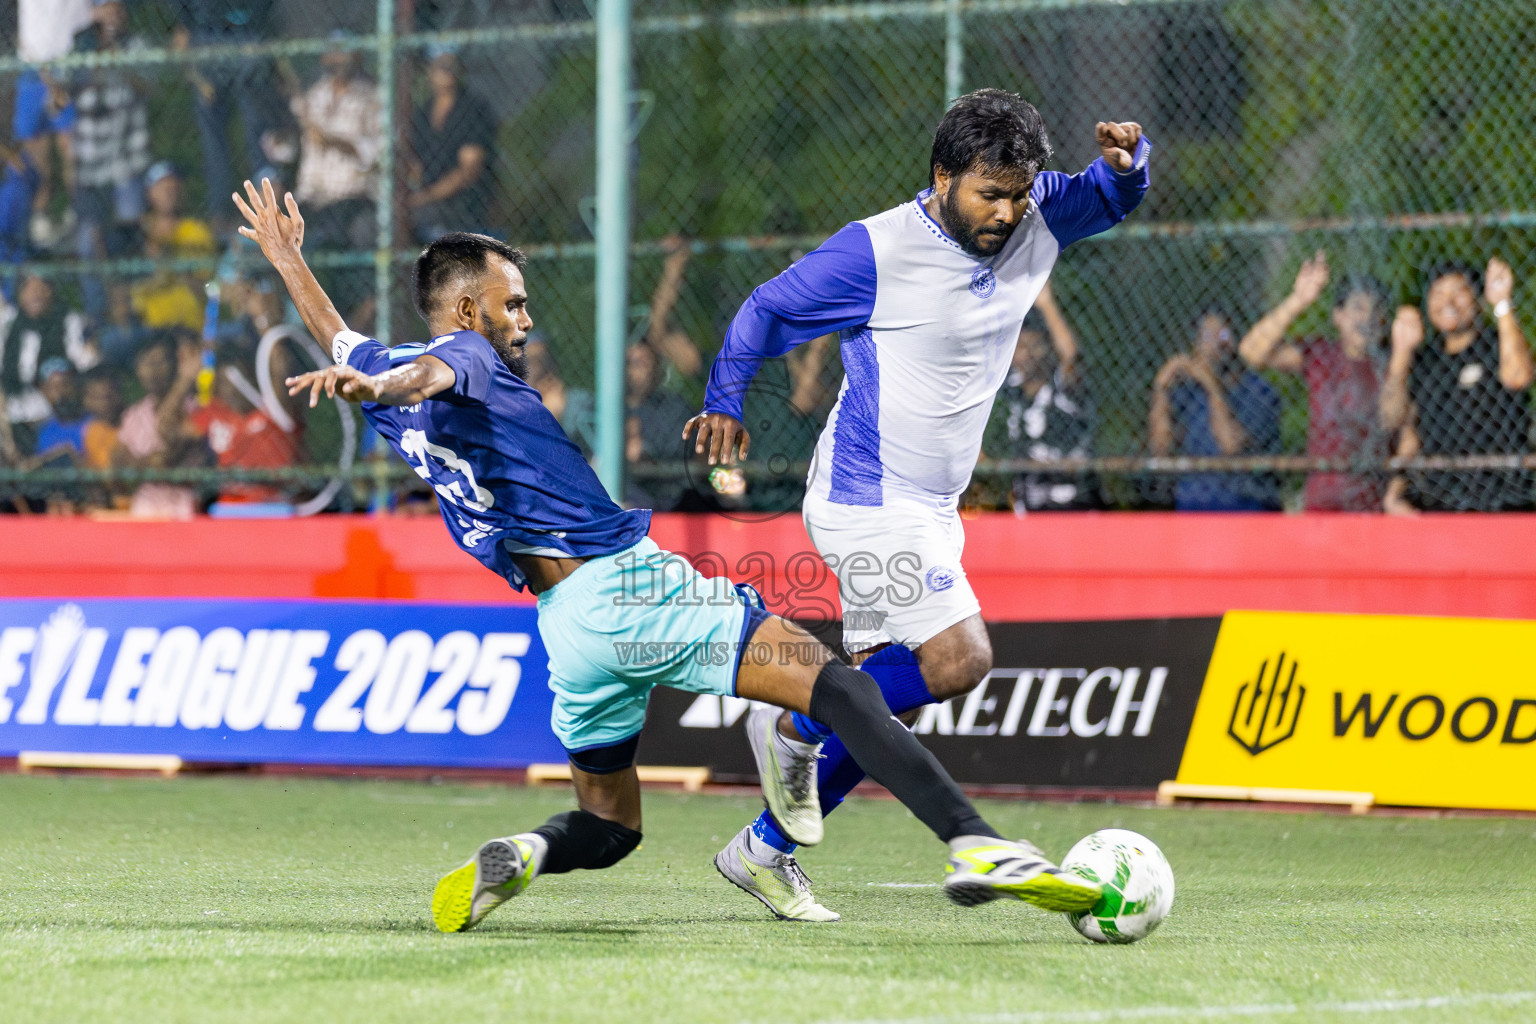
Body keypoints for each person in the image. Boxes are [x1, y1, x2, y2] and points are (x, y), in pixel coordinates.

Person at [235, 177, 1099, 932]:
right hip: (628, 586)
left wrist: (293, 271)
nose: (526, 320)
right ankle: (977, 845)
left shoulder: (393, 367)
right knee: (843, 688)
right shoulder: (463, 357)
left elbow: (341, 336)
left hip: (564, 628)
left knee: (610, 823)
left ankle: (527, 851)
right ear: (468, 311)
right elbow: (431, 373)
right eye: (515, 303)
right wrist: (384, 382)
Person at [687, 88, 1150, 920]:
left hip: (932, 507)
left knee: (879, 699)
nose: (1007, 213)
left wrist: (1127, 167)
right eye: (989, 195)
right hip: (865, 498)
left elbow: (1107, 199)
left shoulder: (1037, 210)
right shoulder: (875, 251)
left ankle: (764, 847)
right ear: (942, 178)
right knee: (959, 659)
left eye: (1018, 193)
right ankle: (796, 727)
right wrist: (725, 399)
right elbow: (766, 308)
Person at [1239, 252, 1392, 511]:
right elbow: (1251, 351)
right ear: (1338, 316)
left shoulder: (1390, 364)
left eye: (1375, 310)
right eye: (1357, 307)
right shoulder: (1321, 354)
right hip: (1322, 502)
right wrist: (1298, 300)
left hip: (1374, 505)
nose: (1365, 318)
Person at [1380, 259, 1534, 513]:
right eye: (1438, 293)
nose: (1448, 302)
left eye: (1459, 292)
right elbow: (1395, 422)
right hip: (1439, 504)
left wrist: (1502, 303)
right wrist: (1401, 352)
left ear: (1478, 301)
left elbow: (1519, 376)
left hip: (1502, 501)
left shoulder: (1498, 345)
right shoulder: (1425, 360)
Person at [1149, 309, 1281, 511]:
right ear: (1196, 347)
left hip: (1244, 504)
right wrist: (1161, 390)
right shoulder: (1188, 392)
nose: (1220, 344)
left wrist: (1212, 388)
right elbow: (1161, 448)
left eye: (1225, 335)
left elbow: (1230, 446)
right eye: (1209, 337)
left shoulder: (1257, 391)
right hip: (1192, 505)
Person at [68, 0, 151, 318]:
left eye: (119, 10)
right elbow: (64, 90)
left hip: (127, 161)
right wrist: (97, 56)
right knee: (91, 243)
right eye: (107, 10)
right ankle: (98, 317)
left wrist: (122, 64)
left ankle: (133, 313)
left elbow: (148, 87)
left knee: (128, 240)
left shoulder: (137, 45)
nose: (114, 16)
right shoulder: (81, 46)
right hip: (89, 165)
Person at [989, 279, 1099, 511]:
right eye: (1020, 347)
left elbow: (1071, 358)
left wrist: (1047, 305)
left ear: (1048, 349)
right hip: (1027, 509)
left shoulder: (1063, 392)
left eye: (1034, 346)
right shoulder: (1010, 392)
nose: (1027, 354)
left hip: (1073, 507)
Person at [170, 0, 279, 224]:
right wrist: (199, 81)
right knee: (214, 142)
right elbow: (181, 36)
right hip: (206, 49)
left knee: (256, 128)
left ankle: (266, 199)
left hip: (245, 43)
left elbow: (264, 22)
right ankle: (220, 210)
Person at [289, 40, 380, 251]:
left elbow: (373, 153)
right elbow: (293, 147)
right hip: (312, 195)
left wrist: (332, 141)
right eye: (334, 53)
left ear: (357, 57)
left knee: (348, 235)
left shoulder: (372, 97)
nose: (339, 60)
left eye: (344, 53)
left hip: (352, 196)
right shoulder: (313, 96)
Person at [0, 274, 96, 458]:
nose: (36, 294)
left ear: (52, 291)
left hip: (54, 415)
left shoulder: (68, 321)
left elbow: (84, 363)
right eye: (28, 288)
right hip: (13, 419)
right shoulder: (9, 327)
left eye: (42, 287)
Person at [407, 48, 496, 243]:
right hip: (426, 201)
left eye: (451, 65)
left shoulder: (473, 109)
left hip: (463, 203)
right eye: (440, 65)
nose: (446, 71)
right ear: (429, 70)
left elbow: (468, 172)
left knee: (411, 219)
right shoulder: (423, 112)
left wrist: (425, 197)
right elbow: (416, 166)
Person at [114, 334, 203, 518]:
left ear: (175, 366)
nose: (153, 371)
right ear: (137, 370)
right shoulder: (132, 416)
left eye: (160, 362)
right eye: (147, 363)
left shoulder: (195, 409)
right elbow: (121, 467)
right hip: (143, 511)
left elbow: (170, 445)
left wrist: (184, 381)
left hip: (184, 509)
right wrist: (151, 464)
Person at [132, 162, 217, 331]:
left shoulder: (197, 232)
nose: (169, 192)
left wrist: (172, 259)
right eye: (162, 187)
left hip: (191, 326)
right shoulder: (137, 234)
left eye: (173, 186)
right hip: (147, 328)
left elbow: (206, 286)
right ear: (149, 193)